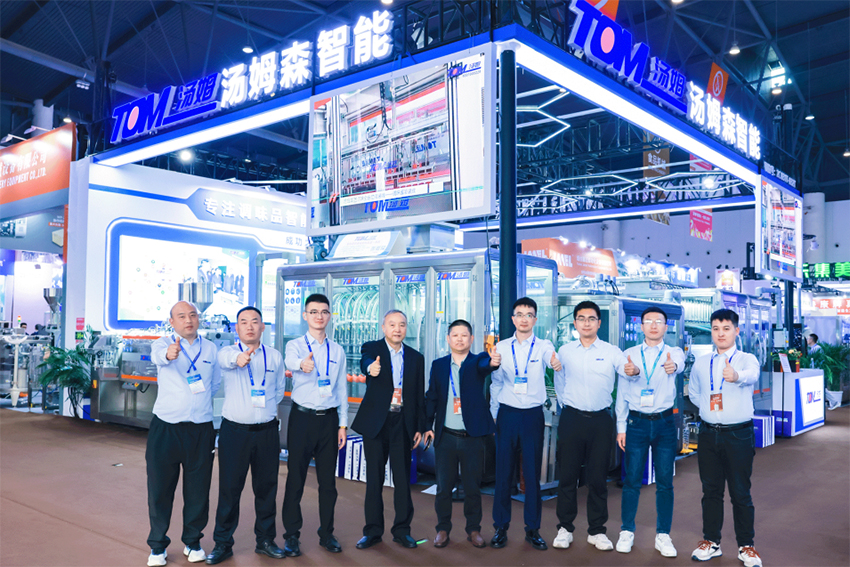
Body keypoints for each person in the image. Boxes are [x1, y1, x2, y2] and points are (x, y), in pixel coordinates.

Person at [206, 307, 286, 565]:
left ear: (262, 327)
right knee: (229, 490)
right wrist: (239, 359)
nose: (249, 326)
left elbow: (279, 391)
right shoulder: (227, 352)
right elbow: (227, 360)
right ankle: (222, 543)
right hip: (235, 433)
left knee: (267, 489)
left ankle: (265, 540)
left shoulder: (274, 356)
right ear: (236, 328)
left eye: (254, 322)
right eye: (243, 322)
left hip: (266, 433)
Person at [146, 301, 221, 567]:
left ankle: (193, 541)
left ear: (198, 319)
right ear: (172, 322)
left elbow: (215, 384)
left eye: (192, 315)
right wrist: (169, 354)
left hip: (201, 428)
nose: (188, 320)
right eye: (181, 316)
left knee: (198, 489)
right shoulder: (162, 344)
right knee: (160, 489)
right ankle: (157, 546)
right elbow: (158, 357)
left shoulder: (210, 348)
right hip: (166, 428)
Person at [551, 300, 627, 552]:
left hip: (601, 421)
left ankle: (597, 531)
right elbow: (560, 382)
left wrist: (634, 369)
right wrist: (567, 406)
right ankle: (565, 528)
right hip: (571, 418)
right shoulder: (565, 351)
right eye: (581, 319)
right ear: (575, 323)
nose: (586, 323)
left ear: (599, 323)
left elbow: (627, 371)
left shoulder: (612, 351)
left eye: (591, 318)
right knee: (567, 476)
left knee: (597, 478)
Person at [689, 309, 763, 567]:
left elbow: (753, 375)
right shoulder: (701, 362)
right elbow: (695, 393)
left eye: (726, 328)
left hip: (738, 435)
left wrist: (737, 377)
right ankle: (711, 542)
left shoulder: (746, 359)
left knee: (741, 492)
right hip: (709, 434)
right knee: (710, 491)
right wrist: (710, 412)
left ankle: (746, 546)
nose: (720, 333)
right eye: (716, 328)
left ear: (736, 331)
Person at [489, 297, 561, 551]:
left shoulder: (543, 346)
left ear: (535, 319)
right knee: (503, 473)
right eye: (519, 314)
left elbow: (552, 359)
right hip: (507, 415)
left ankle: (533, 529)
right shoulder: (501, 347)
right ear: (513, 319)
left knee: (531, 475)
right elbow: (496, 383)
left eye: (529, 315)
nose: (524, 319)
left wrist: (555, 363)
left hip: (532, 415)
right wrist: (494, 414)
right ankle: (500, 527)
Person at [614, 306, 685, 558]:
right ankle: (626, 531)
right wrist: (621, 427)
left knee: (665, 482)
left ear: (666, 326)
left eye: (658, 321)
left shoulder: (673, 352)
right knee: (631, 480)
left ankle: (663, 535)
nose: (654, 325)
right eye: (648, 321)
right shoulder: (629, 355)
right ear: (641, 326)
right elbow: (622, 393)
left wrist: (673, 366)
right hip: (636, 423)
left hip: (665, 423)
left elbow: (679, 364)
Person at [422, 320, 500, 549]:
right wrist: (427, 425)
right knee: (443, 487)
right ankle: (442, 529)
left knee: (473, 488)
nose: (459, 339)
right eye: (455, 335)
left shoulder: (477, 361)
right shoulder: (438, 365)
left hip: (471, 437)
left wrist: (492, 362)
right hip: (445, 436)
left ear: (471, 339)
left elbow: (486, 365)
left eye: (464, 335)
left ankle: (473, 529)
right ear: (448, 339)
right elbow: (432, 397)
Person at [281, 293, 348, 557]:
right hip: (302, 419)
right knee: (295, 479)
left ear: (329, 316)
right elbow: (289, 361)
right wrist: (301, 364)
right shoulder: (295, 345)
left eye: (324, 312)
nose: (319, 316)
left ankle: (327, 533)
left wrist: (343, 425)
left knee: (328, 483)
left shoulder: (338, 350)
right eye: (314, 312)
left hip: (329, 421)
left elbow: (341, 389)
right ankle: (291, 535)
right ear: (305, 316)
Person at [353, 309, 426, 550]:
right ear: (383, 327)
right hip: (377, 423)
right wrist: (370, 369)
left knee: (403, 480)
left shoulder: (416, 357)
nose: (397, 329)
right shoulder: (372, 348)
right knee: (374, 479)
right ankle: (372, 531)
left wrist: (420, 427)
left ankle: (402, 531)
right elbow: (365, 362)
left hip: (402, 423)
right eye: (392, 324)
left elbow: (418, 396)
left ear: (406, 328)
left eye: (402, 324)